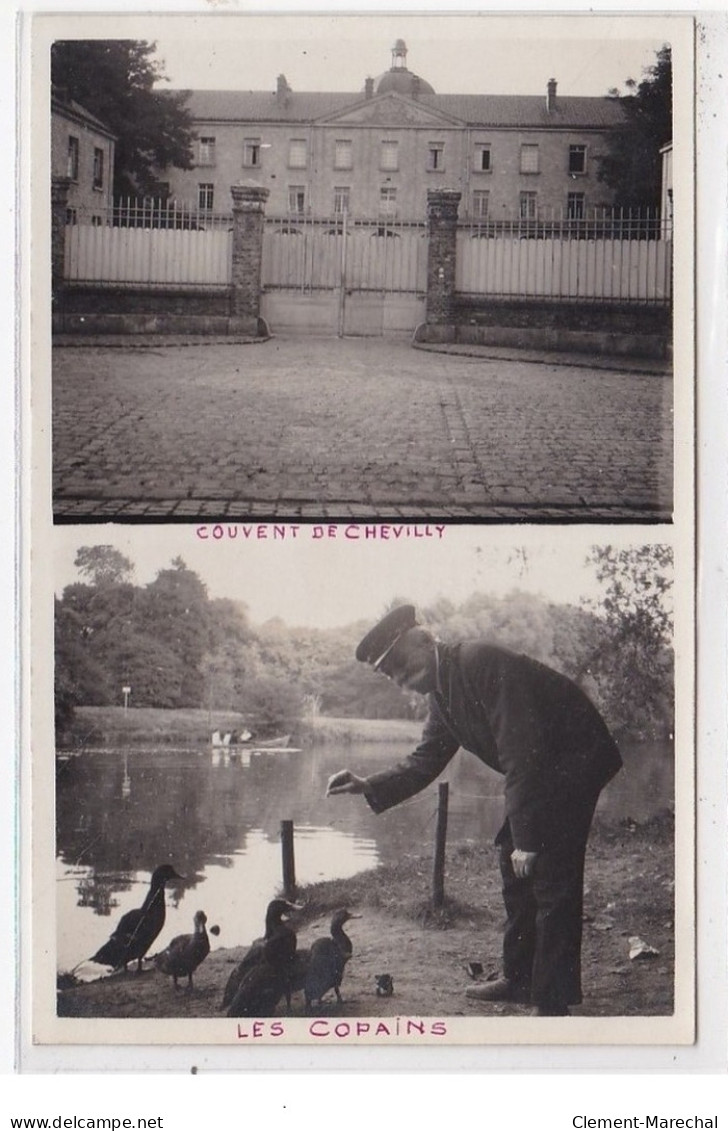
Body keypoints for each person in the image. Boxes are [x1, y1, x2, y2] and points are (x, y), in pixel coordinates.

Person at [326, 605, 622, 1016]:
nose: (402, 681)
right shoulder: (442, 695)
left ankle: (552, 1002)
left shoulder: (480, 661)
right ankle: (520, 978)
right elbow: (425, 759)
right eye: (392, 676)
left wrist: (530, 840)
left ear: (425, 640)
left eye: (402, 667)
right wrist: (369, 785)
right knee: (511, 858)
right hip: (543, 768)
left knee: (550, 874)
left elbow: (521, 752)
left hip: (577, 759)